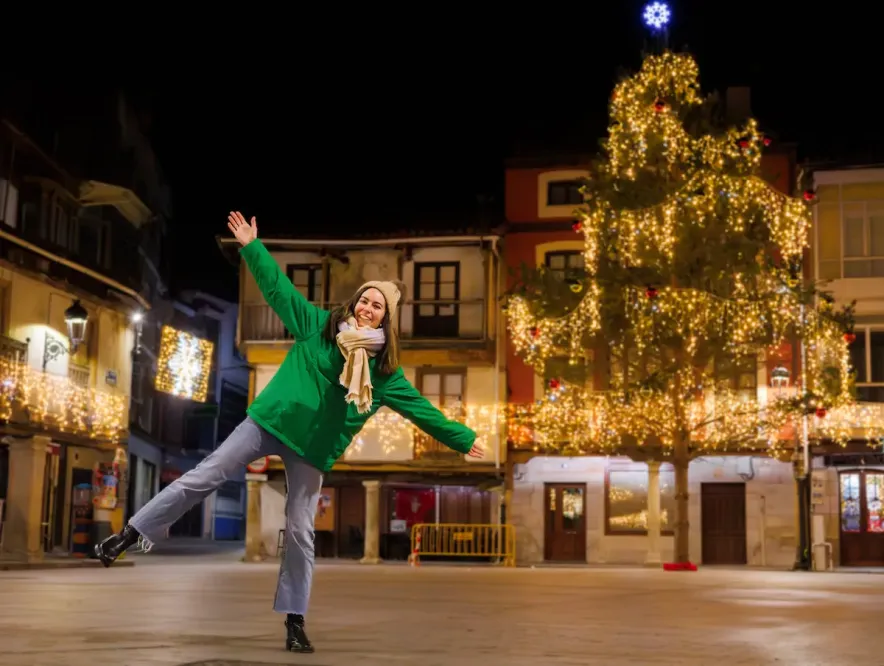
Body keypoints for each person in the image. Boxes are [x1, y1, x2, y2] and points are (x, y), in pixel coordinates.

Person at [95, 211, 484, 653]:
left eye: (377, 305)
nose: (367, 307)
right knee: (206, 474)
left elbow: (423, 412)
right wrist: (251, 247)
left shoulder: (386, 373)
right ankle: (130, 534)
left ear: (385, 320)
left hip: (312, 449)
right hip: (269, 421)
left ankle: (295, 620)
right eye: (364, 299)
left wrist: (465, 439)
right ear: (355, 303)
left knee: (300, 530)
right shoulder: (319, 327)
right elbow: (278, 290)